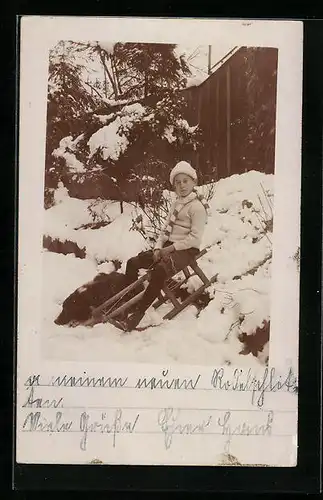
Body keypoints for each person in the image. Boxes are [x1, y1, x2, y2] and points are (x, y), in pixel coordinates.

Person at [121, 160, 210, 332]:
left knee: (159, 271)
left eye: (185, 181)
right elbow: (164, 230)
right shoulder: (177, 204)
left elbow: (194, 239)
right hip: (168, 246)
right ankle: (130, 303)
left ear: (194, 182)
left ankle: (138, 313)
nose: (182, 186)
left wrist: (169, 249)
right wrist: (157, 248)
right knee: (133, 263)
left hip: (186, 250)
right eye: (178, 183)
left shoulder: (197, 207)